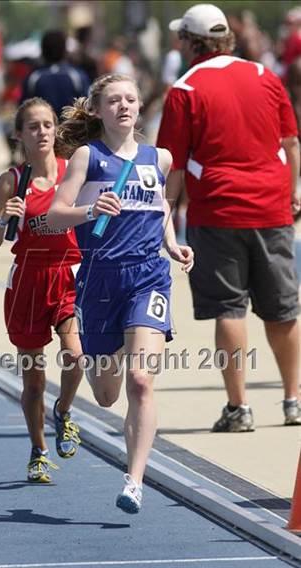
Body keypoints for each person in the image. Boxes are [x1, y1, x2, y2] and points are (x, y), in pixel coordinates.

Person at [47, 74, 194, 513]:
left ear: (140, 107)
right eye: (114, 100)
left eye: (131, 99)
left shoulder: (159, 158)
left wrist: (171, 243)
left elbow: (161, 205)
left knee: (141, 380)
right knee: (108, 394)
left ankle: (134, 480)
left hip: (149, 277)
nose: (124, 106)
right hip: (99, 281)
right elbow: (55, 216)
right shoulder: (86, 159)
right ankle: (70, 405)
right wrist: (90, 209)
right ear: (97, 109)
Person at [156, 4, 301, 432]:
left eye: (181, 39)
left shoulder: (184, 89)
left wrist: (164, 215)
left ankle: (239, 408)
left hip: (217, 211)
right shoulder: (264, 76)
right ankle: (294, 400)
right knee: (282, 309)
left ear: (190, 42)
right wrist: (292, 192)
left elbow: (173, 165)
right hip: (271, 207)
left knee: (229, 309)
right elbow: (291, 142)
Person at [0, 97, 83, 483]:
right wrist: (2, 220)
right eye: (33, 127)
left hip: (67, 275)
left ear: (55, 129)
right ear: (19, 135)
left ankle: (64, 410)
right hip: (28, 280)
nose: (42, 132)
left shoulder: (71, 170)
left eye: (47, 125)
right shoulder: (12, 181)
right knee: (33, 378)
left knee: (75, 355)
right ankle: (39, 450)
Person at [19, 30, 89, 119]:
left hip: (42, 130)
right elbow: (87, 107)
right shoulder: (77, 76)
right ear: (64, 50)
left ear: (43, 50)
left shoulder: (33, 78)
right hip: (72, 130)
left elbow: (23, 110)